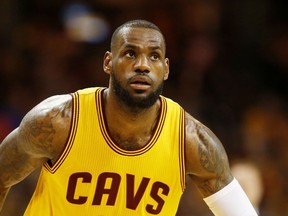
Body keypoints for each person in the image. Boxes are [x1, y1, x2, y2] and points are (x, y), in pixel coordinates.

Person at [0, 19, 257, 215]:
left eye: (154, 56)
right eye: (130, 53)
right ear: (108, 63)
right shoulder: (57, 121)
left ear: (165, 69)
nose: (142, 65)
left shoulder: (191, 141)